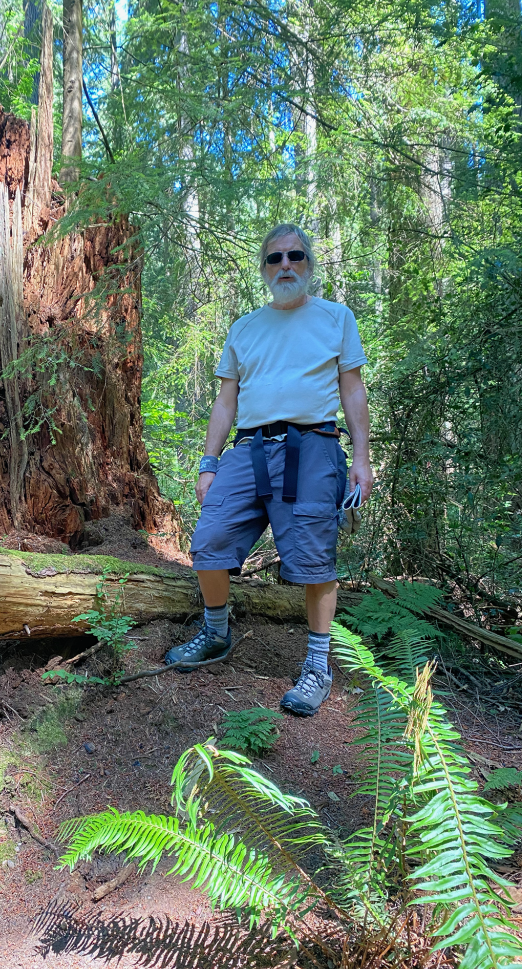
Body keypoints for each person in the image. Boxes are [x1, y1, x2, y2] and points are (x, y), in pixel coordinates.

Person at [164, 223, 374, 717]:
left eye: (295, 256)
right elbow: (225, 401)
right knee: (210, 541)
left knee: (314, 559)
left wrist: (362, 459)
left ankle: (318, 666)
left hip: (314, 446)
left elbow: (352, 391)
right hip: (248, 450)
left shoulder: (336, 318)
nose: (285, 266)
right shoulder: (244, 328)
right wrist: (209, 463)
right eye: (275, 258)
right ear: (263, 268)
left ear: (309, 264)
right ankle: (216, 633)